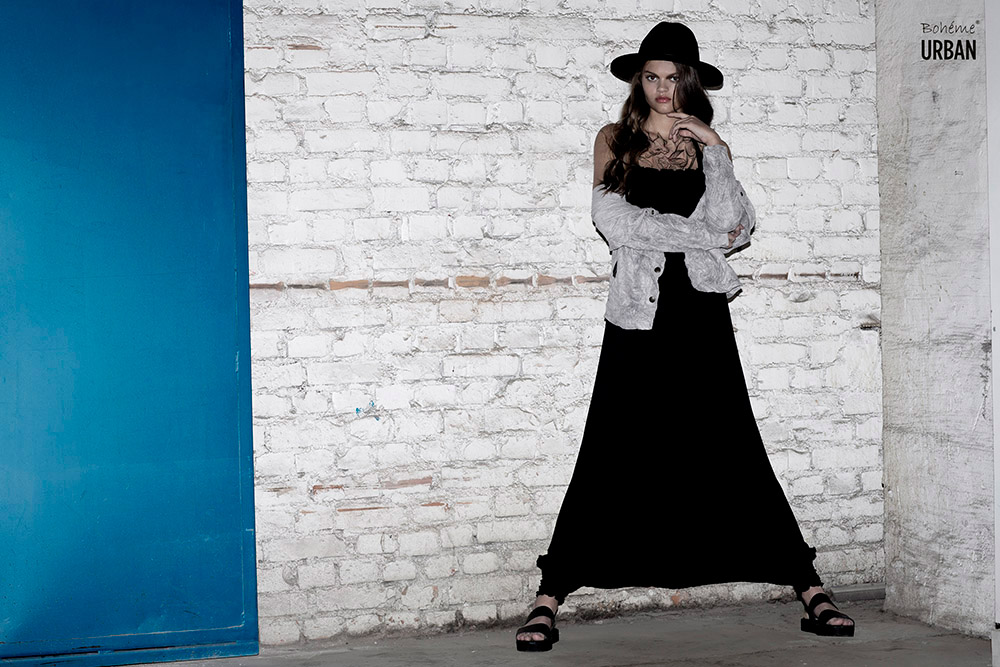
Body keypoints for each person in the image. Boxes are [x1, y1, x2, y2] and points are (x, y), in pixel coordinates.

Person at [514, 21, 856, 652]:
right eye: (651, 76)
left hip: (700, 313)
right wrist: (701, 237)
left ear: (690, 83)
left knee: (732, 439)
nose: (662, 88)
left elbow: (736, 224)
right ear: (638, 82)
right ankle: (548, 594)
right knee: (612, 443)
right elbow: (614, 221)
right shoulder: (614, 139)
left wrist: (716, 147)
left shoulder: (707, 147)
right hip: (639, 315)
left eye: (673, 78)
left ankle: (808, 586)